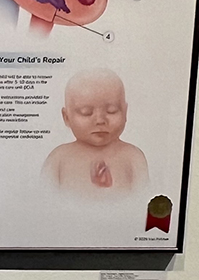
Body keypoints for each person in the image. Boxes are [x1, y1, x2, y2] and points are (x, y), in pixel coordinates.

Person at [40, 68, 149, 198]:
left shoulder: (133, 157)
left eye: (111, 111)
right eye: (86, 112)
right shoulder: (58, 159)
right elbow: (43, 202)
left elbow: (143, 201)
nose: (100, 120)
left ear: (125, 112)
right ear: (67, 117)